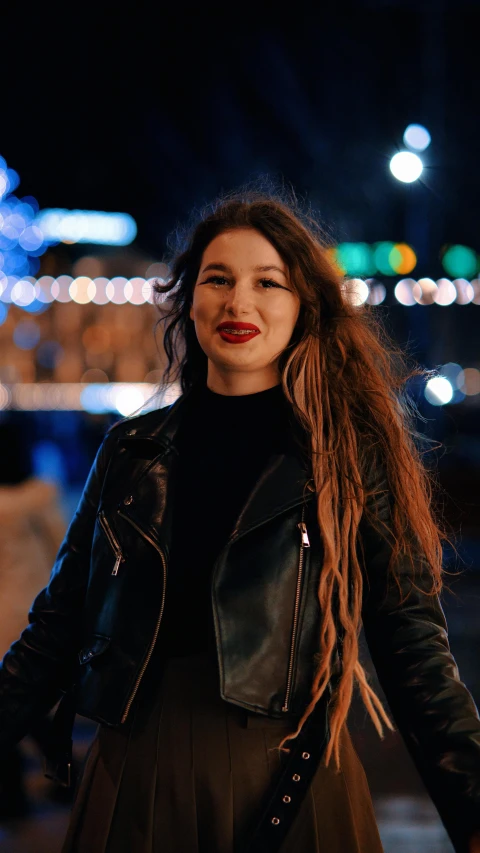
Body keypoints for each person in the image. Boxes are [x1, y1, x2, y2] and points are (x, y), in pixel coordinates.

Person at [0, 191, 479, 853]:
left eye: (268, 282)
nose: (238, 303)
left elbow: (415, 650)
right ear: (187, 297)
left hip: (289, 777)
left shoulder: (345, 456)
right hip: (136, 773)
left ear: (303, 305)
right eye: (217, 279)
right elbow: (54, 627)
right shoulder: (131, 452)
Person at [0, 421, 67, 818]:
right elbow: (64, 548)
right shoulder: (38, 499)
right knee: (34, 701)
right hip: (32, 610)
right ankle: (62, 773)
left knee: (7, 701)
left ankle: (11, 797)